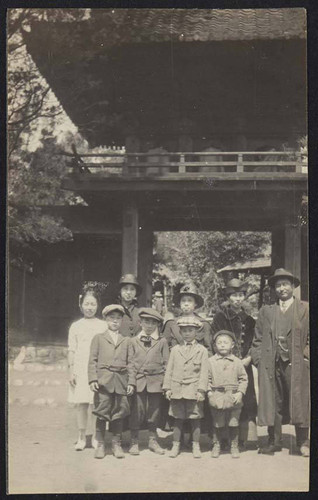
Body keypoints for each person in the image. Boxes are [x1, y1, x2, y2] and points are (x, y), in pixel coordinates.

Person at [251, 268, 310, 457]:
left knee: (300, 400)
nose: (282, 288)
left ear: (293, 286)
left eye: (285, 284)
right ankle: (273, 441)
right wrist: (259, 359)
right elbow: (257, 339)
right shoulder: (266, 311)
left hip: (297, 364)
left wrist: (306, 357)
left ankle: (303, 442)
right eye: (278, 285)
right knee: (272, 401)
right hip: (271, 363)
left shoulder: (305, 309)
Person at [211, 278, 257, 449]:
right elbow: (214, 340)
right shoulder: (220, 316)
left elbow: (255, 342)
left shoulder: (250, 320)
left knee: (244, 399)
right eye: (234, 295)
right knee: (223, 398)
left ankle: (242, 438)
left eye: (240, 295)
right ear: (228, 297)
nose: (237, 299)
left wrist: (249, 358)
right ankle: (222, 439)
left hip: (244, 365)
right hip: (225, 364)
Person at [68, 282, 107, 451]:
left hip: (96, 369)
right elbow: (72, 349)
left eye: (93, 304)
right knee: (81, 404)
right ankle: (81, 436)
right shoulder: (75, 326)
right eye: (86, 304)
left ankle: (96, 436)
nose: (89, 307)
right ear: (80, 305)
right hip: (79, 368)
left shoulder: (102, 325)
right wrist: (71, 370)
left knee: (95, 404)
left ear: (98, 305)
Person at [88, 304, 131, 459]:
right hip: (103, 382)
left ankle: (116, 443)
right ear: (105, 319)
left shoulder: (126, 340)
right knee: (102, 412)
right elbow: (92, 360)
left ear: (122, 321)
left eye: (118, 318)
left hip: (120, 381)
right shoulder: (98, 338)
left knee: (118, 413)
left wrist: (130, 382)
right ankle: (100, 444)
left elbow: (130, 362)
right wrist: (93, 379)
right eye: (111, 318)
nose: (115, 321)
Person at [163, 316, 209, 459]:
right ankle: (175, 445)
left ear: (196, 332)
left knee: (195, 419)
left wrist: (201, 390)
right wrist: (167, 388)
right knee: (177, 418)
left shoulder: (202, 350)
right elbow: (169, 369)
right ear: (180, 333)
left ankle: (196, 445)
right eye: (184, 331)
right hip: (177, 389)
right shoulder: (175, 349)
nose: (187, 333)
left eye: (190, 330)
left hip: (194, 389)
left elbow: (204, 372)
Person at [127, 308, 170, 455]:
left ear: (158, 324)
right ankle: (134, 441)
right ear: (140, 323)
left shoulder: (162, 341)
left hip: (156, 382)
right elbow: (130, 363)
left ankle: (153, 440)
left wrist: (165, 383)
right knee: (137, 412)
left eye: (153, 322)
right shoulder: (133, 341)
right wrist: (131, 382)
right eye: (146, 321)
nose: (149, 325)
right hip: (138, 382)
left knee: (154, 411)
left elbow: (166, 364)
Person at [207, 330, 248, 459]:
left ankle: (234, 446)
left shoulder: (237, 361)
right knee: (217, 423)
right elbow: (206, 379)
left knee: (233, 422)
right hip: (217, 396)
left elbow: (243, 379)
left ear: (232, 345)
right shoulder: (210, 361)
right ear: (214, 346)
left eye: (226, 342)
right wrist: (209, 393)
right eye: (219, 343)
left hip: (233, 396)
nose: (222, 345)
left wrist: (240, 393)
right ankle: (216, 445)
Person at [163, 284, 212, 356]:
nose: (186, 304)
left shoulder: (204, 324)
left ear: (195, 304)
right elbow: (165, 348)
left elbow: (209, 350)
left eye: (190, 301)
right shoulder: (171, 324)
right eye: (183, 301)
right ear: (179, 303)